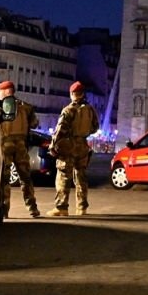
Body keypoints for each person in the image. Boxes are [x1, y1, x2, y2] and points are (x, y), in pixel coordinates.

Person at [47, 81, 99, 217]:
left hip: (68, 146)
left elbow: (59, 130)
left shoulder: (68, 110)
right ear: (82, 94)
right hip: (83, 145)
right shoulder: (90, 109)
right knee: (81, 176)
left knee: (63, 176)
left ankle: (61, 207)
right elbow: (95, 127)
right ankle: (82, 207)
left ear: (72, 94)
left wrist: (53, 146)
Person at [0, 80, 40, 218]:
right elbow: (35, 124)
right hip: (21, 146)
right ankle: (32, 208)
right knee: (25, 178)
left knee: (5, 179)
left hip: (5, 146)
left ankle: (4, 210)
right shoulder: (26, 107)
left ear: (6, 91)